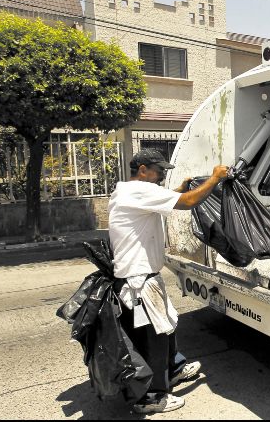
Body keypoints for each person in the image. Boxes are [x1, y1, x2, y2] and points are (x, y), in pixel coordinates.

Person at [108, 148, 228, 414]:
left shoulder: (129, 191)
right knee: (152, 338)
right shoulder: (139, 190)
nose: (162, 175)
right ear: (142, 170)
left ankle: (173, 369)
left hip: (142, 278)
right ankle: (150, 396)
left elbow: (168, 198)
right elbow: (187, 203)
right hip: (138, 284)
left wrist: (178, 189)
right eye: (159, 170)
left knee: (167, 327)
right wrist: (215, 178)